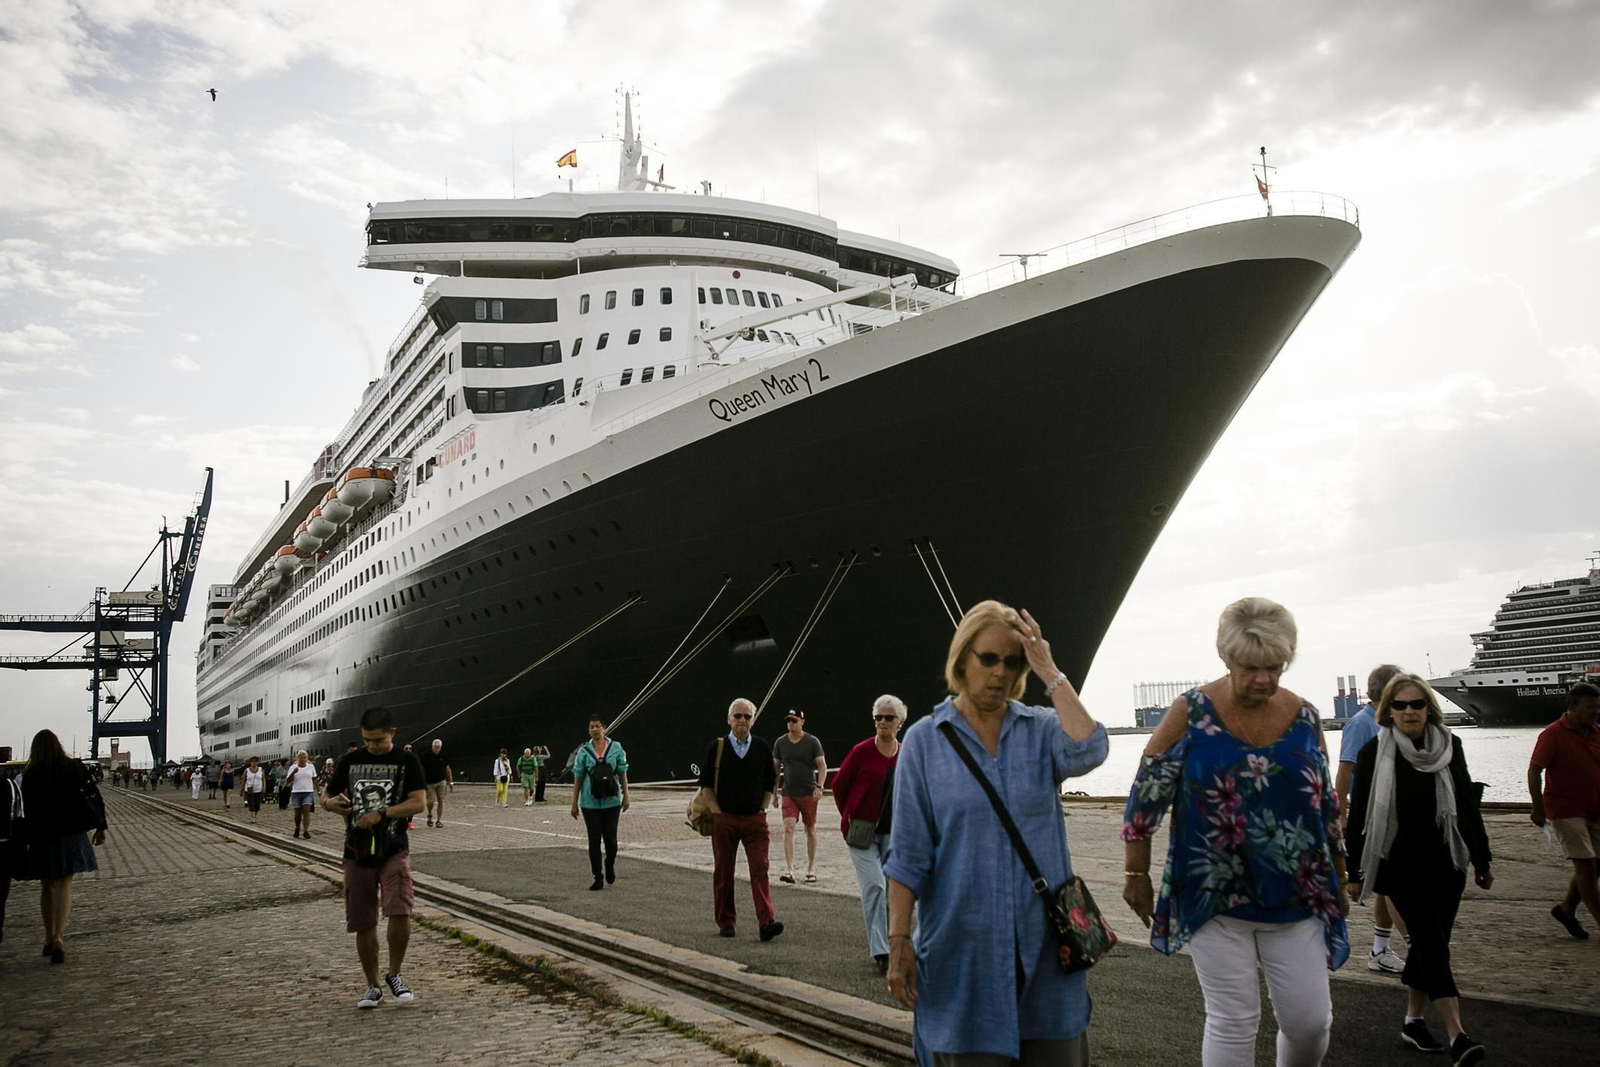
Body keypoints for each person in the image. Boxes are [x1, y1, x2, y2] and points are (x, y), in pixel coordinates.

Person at [1122, 597, 1348, 1067]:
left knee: (1310, 1022)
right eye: (1251, 667)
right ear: (1226, 658)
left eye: (1275, 667)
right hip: (1212, 892)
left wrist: (1340, 876)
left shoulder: (1306, 718)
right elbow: (1146, 797)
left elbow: (1325, 804)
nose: (1264, 679)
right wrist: (1136, 875)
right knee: (1233, 1018)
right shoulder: (1190, 712)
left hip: (1298, 892)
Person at [884, 602, 1106, 1066]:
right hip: (962, 957)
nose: (1000, 672)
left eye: (1013, 662)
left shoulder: (1041, 731)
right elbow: (907, 856)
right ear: (963, 658)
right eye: (989, 658)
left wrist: (1047, 667)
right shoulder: (925, 742)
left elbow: (1089, 748)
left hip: (1047, 954)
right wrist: (899, 941)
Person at [1346, 674, 1492, 1063]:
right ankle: (1458, 1035)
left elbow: (1465, 804)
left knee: (1433, 946)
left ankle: (1412, 1021)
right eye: (1400, 705)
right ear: (1387, 711)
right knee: (1429, 943)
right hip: (1400, 868)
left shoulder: (1451, 745)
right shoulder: (1374, 753)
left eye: (1416, 704)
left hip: (1448, 864)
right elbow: (1359, 813)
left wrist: (1482, 859)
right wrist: (1355, 872)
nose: (1409, 711)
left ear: (1429, 706)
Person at [322, 706, 427, 1009]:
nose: (372, 746)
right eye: (367, 740)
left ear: (392, 733)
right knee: (362, 920)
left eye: (378, 740)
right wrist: (331, 804)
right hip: (356, 850)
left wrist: (382, 813)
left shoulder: (407, 761)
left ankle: (395, 974)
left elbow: (418, 803)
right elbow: (326, 795)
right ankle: (372, 985)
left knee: (400, 909)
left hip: (394, 846)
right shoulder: (350, 761)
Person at [1336, 663, 1411, 974]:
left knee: (1386, 885)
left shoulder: (1390, 723)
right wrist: (1340, 815)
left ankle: (1380, 950)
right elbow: (1344, 771)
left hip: (1396, 813)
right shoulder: (1361, 724)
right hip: (1371, 815)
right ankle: (1416, 944)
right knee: (1394, 884)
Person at [19, 730, 108, 964]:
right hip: (70, 833)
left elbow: (24, 810)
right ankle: (59, 937)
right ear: (58, 745)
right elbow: (93, 796)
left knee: (46, 886)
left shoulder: (30, 775)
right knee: (63, 884)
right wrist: (100, 826)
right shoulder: (74, 767)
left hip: (41, 836)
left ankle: (48, 937)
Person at [696, 698, 782, 940]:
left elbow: (769, 782)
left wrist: (763, 809)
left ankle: (766, 922)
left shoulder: (763, 747)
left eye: (746, 716)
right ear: (729, 719)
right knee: (724, 871)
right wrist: (717, 813)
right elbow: (705, 785)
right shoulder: (717, 747)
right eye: (738, 716)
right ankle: (726, 922)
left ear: (753, 720)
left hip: (755, 820)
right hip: (726, 819)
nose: (742, 720)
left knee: (760, 868)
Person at [830, 694, 905, 972]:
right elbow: (839, 785)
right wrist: (849, 816)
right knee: (875, 885)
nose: (882, 722)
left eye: (888, 718)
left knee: (892, 891)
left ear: (900, 722)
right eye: (878, 718)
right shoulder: (862, 751)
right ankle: (881, 951)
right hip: (862, 833)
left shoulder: (905, 753)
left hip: (893, 834)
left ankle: (891, 943)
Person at [1529, 680, 1600, 939]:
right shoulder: (1553, 734)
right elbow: (1535, 769)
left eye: (1598, 708)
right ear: (1572, 707)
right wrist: (1538, 808)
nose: (1596, 713)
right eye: (1590, 708)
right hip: (1565, 809)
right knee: (1586, 867)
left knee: (1596, 865)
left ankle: (1566, 909)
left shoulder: (1596, 733)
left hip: (1594, 809)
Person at [570, 718, 631, 889]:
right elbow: (578, 776)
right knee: (594, 840)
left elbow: (622, 772)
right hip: (589, 803)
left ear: (604, 729)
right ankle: (597, 876)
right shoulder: (583, 752)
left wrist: (626, 795)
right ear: (588, 730)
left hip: (612, 801)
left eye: (598, 726)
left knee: (611, 841)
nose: (595, 729)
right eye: (591, 727)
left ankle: (609, 862)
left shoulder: (616, 748)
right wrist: (574, 802)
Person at [772, 709, 827, 885]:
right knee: (788, 828)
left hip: (808, 792)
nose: (791, 724)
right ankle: (789, 870)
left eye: (794, 721)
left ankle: (810, 869)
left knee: (810, 829)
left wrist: (819, 786)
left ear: (802, 722)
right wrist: (774, 793)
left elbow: (822, 765)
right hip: (788, 792)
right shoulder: (780, 743)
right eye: (788, 720)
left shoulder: (812, 742)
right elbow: (775, 770)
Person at [419, 739, 453, 827]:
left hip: (441, 781)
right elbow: (421, 769)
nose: (437, 749)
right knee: (431, 801)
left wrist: (450, 781)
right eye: (435, 747)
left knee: (441, 800)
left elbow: (447, 768)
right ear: (432, 747)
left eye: (438, 748)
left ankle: (438, 820)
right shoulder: (426, 756)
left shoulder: (443, 755)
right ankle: (430, 815)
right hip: (429, 782)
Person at [285, 750, 318, 838]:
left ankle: (306, 831)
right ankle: (297, 827)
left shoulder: (311, 767)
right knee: (298, 812)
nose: (302, 759)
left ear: (306, 758)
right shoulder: (293, 767)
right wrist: (293, 773)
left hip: (308, 791)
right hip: (296, 792)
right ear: (297, 758)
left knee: (307, 810)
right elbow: (287, 781)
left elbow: (314, 778)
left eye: (304, 758)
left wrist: (318, 789)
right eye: (301, 758)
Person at [241, 757, 266, 824]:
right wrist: (242, 789)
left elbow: (263, 779)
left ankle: (254, 815)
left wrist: (264, 787)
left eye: (256, 762)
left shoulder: (260, 770)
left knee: (257, 805)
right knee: (251, 804)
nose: (254, 763)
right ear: (250, 762)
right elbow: (244, 780)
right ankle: (253, 818)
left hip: (258, 789)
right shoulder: (247, 770)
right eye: (253, 762)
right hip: (249, 790)